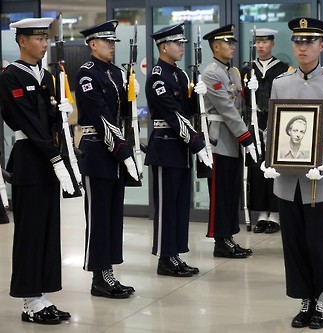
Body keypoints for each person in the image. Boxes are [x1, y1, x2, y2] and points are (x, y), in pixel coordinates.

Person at [262, 17, 323, 329]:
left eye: (309, 41)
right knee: (295, 242)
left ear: (321, 45)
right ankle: (305, 298)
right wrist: (268, 157)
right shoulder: (280, 83)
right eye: (298, 41)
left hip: (322, 181)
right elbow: (271, 129)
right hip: (288, 181)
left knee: (319, 242)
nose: (303, 47)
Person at [0, 17, 73, 324]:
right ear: (22, 41)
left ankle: (42, 295)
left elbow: (53, 119)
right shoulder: (12, 77)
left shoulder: (46, 76)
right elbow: (27, 121)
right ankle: (30, 301)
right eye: (38, 38)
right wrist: (55, 159)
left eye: (45, 38)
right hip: (31, 157)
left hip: (48, 156)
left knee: (48, 228)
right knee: (30, 231)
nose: (44, 43)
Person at [75, 20, 139, 298]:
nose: (112, 46)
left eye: (114, 42)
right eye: (107, 42)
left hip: (116, 151)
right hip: (99, 150)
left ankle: (109, 272)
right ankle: (98, 276)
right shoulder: (86, 74)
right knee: (98, 217)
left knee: (114, 216)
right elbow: (100, 115)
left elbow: (123, 114)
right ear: (92, 44)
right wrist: (123, 152)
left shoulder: (117, 72)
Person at [145, 23, 212, 277]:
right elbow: (173, 115)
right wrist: (198, 144)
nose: (181, 47)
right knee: (166, 206)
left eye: (183, 43)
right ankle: (165, 257)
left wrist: (198, 96)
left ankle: (175, 253)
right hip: (166, 147)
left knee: (179, 204)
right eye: (177, 43)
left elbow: (188, 109)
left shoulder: (181, 75)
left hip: (181, 148)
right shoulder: (157, 77)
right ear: (163, 47)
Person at [201, 24, 258, 258]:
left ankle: (228, 237)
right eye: (228, 42)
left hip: (233, 139)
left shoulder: (233, 72)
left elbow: (240, 105)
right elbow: (227, 109)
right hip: (220, 141)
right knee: (220, 193)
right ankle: (219, 240)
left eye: (233, 42)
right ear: (216, 46)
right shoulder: (211, 72)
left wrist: (250, 92)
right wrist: (246, 137)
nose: (232, 46)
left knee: (232, 191)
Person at [240, 28, 290, 234]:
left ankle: (276, 214)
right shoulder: (246, 70)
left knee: (275, 167)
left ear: (272, 44)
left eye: (265, 42)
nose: (260, 46)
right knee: (257, 169)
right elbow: (240, 101)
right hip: (254, 124)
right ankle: (261, 214)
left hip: (275, 124)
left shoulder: (283, 69)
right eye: (257, 42)